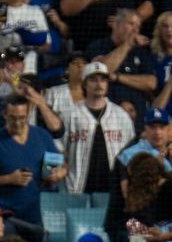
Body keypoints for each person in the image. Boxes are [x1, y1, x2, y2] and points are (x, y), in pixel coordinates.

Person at [0, 93, 64, 242]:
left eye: (22, 118)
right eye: (12, 118)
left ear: (29, 114)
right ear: (5, 115)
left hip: (35, 216)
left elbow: (58, 165)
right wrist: (9, 178)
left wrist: (57, 174)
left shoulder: (42, 136)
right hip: (5, 219)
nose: (17, 123)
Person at [55, 60, 134, 194]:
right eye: (93, 79)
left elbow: (131, 152)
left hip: (113, 188)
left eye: (103, 80)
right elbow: (58, 148)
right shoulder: (70, 115)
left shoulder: (121, 116)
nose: (99, 84)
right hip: (77, 188)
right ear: (85, 84)